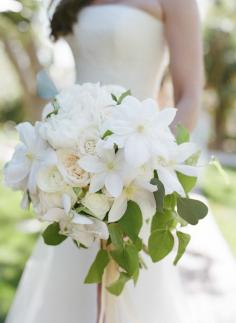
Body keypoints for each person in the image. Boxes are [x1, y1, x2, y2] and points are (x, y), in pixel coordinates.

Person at [6, 1, 236, 322]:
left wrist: (147, 164)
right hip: (72, 163)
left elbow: (190, 96)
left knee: (127, 291)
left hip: (133, 171)